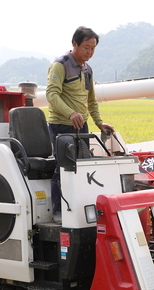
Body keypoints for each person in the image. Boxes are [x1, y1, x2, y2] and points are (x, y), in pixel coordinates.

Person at [46, 26, 114, 222]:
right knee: (64, 168)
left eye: (93, 48)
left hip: (81, 126)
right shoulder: (60, 65)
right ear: (74, 44)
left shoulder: (87, 70)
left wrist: (100, 123)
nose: (89, 52)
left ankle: (79, 210)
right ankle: (59, 212)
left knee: (82, 167)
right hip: (62, 125)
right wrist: (70, 113)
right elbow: (51, 94)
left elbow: (91, 101)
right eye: (86, 47)